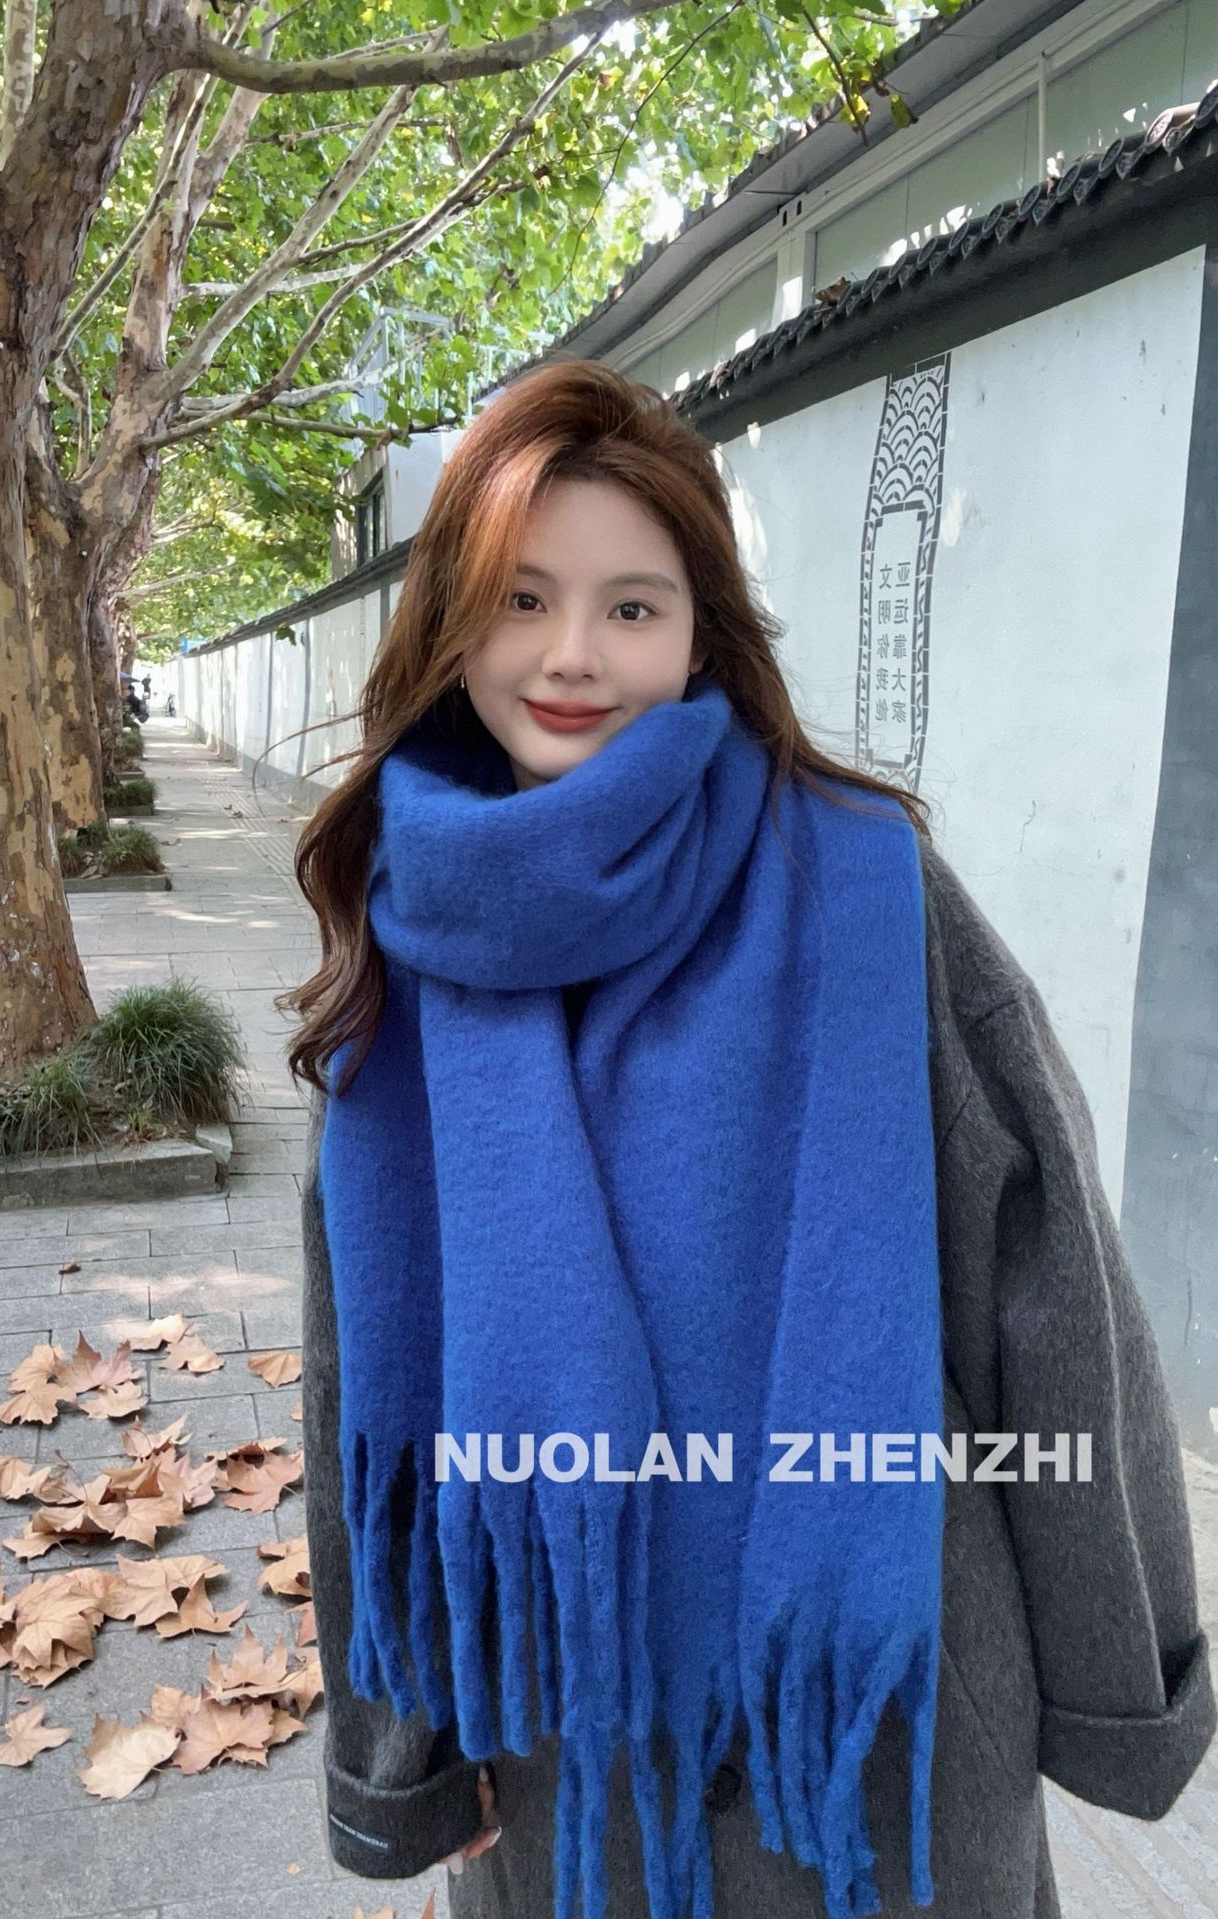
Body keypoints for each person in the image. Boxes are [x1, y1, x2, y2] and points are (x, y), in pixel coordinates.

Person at [280, 358, 1215, 1919]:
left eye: (632, 607)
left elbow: (1050, 1285)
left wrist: (1122, 1682)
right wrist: (402, 1758)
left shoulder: (867, 886)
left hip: (880, 1723)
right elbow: (366, 1395)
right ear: (452, 619)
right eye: (522, 599)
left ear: (701, 630)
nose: (573, 654)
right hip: (566, 1737)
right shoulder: (409, 924)